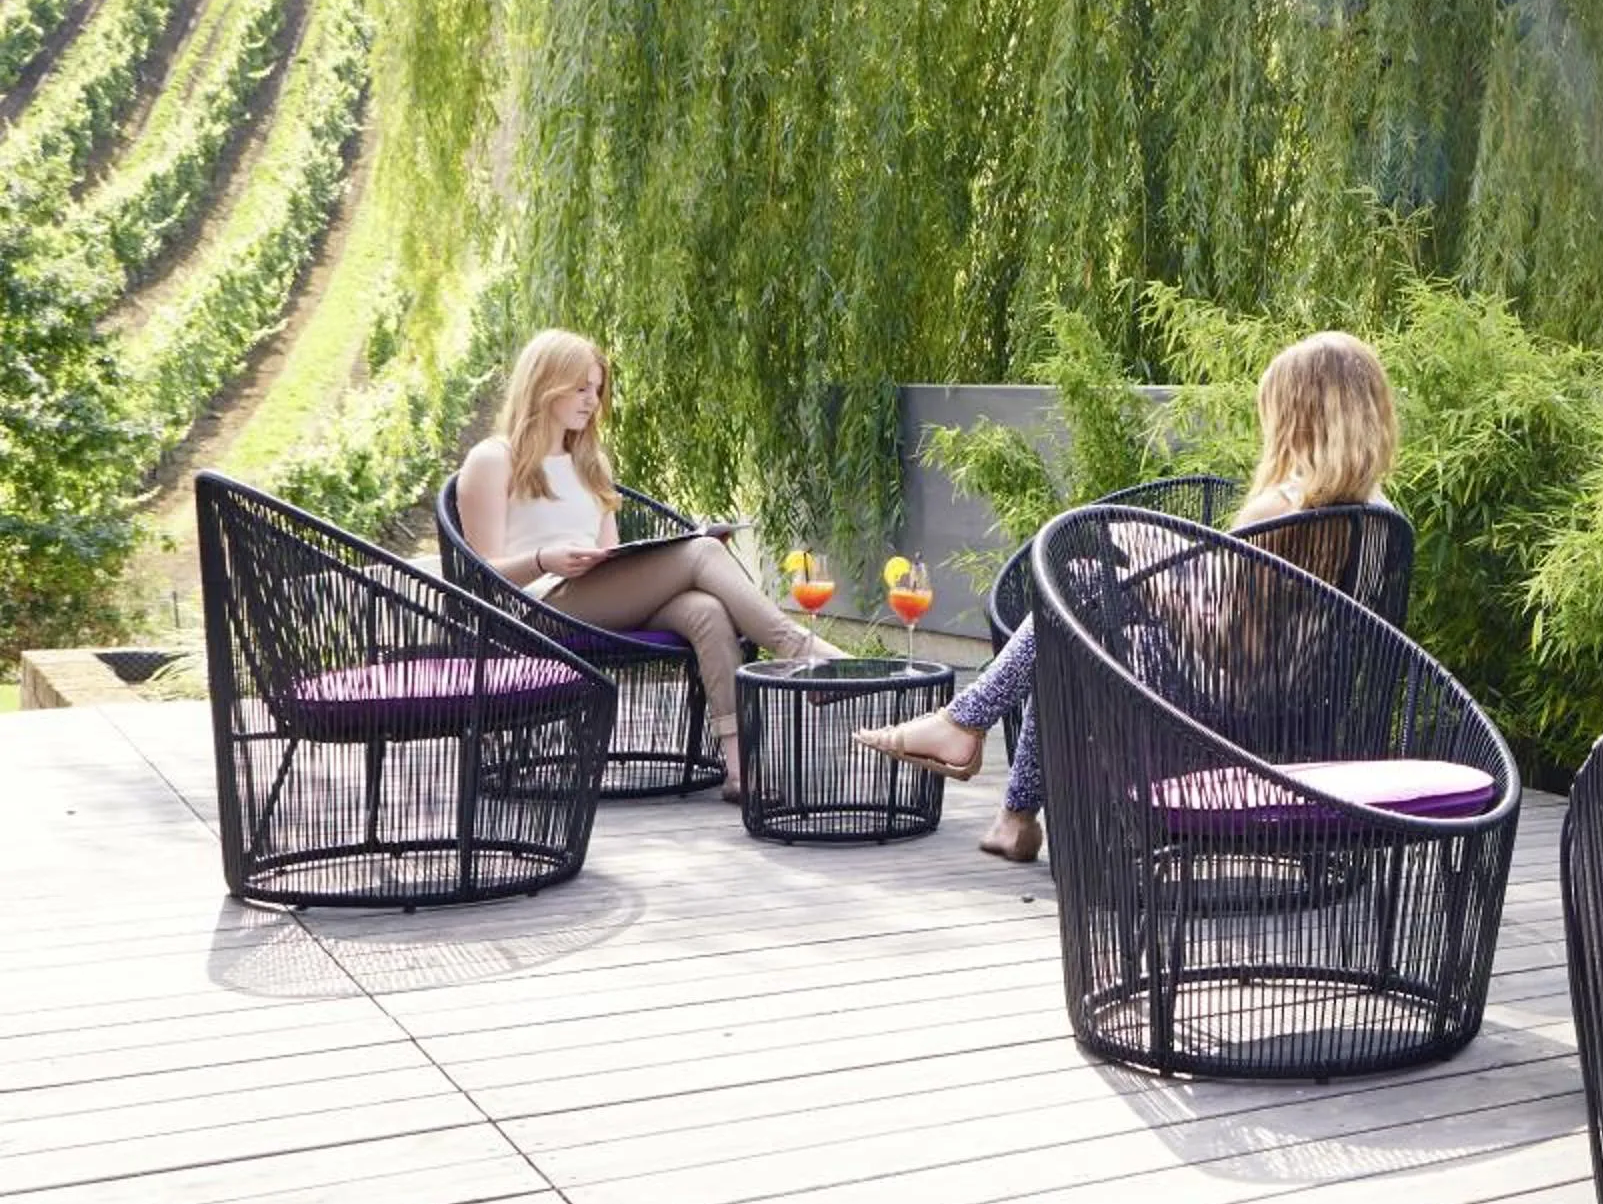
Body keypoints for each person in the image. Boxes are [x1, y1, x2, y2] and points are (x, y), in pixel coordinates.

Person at [853, 329, 1400, 862]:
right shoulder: (1381, 518)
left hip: (1227, 719)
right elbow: (1269, 639)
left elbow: (1230, 652)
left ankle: (971, 739)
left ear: (1296, 417)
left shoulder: (1281, 510)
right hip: (1300, 715)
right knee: (1086, 613)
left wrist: (1149, 572)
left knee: (1083, 590)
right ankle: (1007, 811)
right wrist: (1174, 565)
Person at [456, 329, 847, 803]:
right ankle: (802, 653)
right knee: (702, 554)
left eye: (597, 389)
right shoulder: (493, 459)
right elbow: (480, 574)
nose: (591, 401)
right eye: (580, 388)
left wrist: (619, 561)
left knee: (706, 610)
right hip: (536, 611)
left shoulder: (589, 462)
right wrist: (544, 559)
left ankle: (741, 771)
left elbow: (610, 553)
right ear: (545, 384)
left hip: (597, 596)